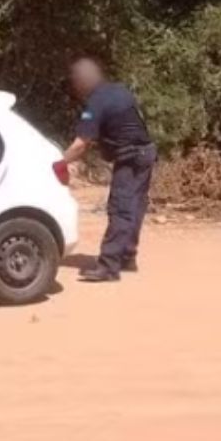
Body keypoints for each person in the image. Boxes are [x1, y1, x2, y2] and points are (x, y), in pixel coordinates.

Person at [61, 57, 156, 282]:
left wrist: (58, 163)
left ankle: (109, 266)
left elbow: (81, 144)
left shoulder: (97, 102)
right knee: (135, 206)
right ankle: (127, 257)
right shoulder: (120, 91)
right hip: (146, 152)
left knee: (120, 208)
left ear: (83, 82)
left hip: (131, 156)